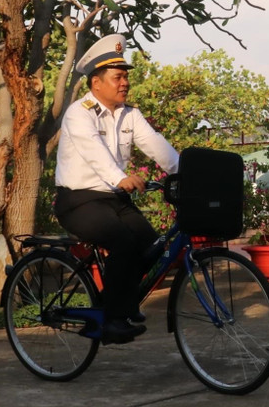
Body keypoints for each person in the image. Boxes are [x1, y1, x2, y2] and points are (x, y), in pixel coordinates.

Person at [54, 34, 180, 345]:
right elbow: (94, 151)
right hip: (79, 201)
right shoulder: (78, 113)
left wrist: (186, 173)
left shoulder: (129, 114)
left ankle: (121, 304)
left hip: (114, 199)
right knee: (123, 243)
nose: (124, 83)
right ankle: (112, 318)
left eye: (125, 77)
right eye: (117, 77)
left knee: (154, 247)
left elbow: (157, 146)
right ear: (96, 83)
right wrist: (120, 177)